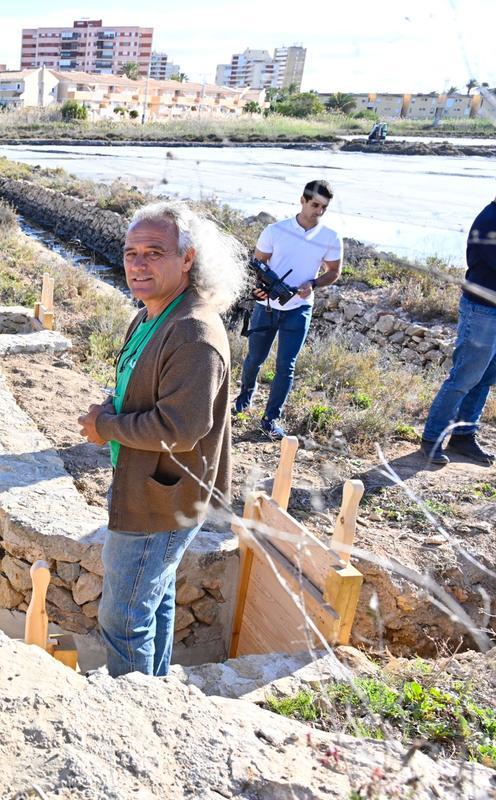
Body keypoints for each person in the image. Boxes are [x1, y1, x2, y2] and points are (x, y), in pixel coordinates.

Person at [78, 201, 244, 678]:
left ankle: (135, 711)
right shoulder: (153, 314)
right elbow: (137, 387)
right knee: (154, 596)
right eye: (131, 252)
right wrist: (110, 409)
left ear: (188, 259)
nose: (138, 264)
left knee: (123, 616)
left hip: (163, 499)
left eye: (154, 252)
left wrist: (105, 427)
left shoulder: (192, 332)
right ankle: (156, 688)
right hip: (145, 483)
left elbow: (180, 428)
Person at [233, 179, 342, 440]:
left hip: (300, 309)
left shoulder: (330, 237)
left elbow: (334, 272)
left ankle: (271, 419)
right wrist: (261, 289)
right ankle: (244, 397)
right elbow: (257, 264)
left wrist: (313, 284)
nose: (319, 211)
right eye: (315, 204)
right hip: (266, 306)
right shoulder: (275, 230)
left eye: (324, 207)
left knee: (286, 366)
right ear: (302, 200)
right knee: (254, 360)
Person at [420, 198, 496, 467]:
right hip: (482, 311)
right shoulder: (490, 221)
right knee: (464, 376)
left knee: (486, 377)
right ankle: (432, 440)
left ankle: (463, 435)